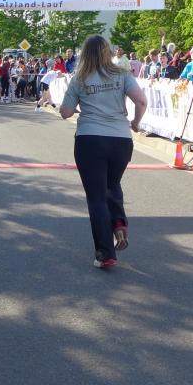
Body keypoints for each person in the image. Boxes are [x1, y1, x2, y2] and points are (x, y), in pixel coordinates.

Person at [59, 34, 147, 269]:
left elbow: (65, 112)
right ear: (108, 52)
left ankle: (105, 254)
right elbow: (141, 101)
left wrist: (79, 104)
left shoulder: (80, 78)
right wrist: (136, 123)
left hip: (90, 139)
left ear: (85, 54)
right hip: (121, 140)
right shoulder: (122, 74)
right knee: (112, 182)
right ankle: (118, 222)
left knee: (96, 196)